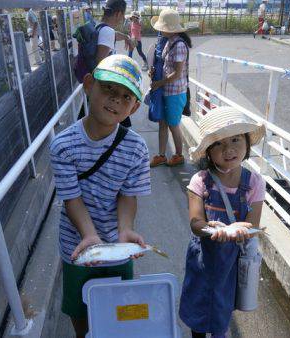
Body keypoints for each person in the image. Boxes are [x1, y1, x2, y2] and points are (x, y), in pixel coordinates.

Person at [49, 54, 151, 338]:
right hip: (78, 246)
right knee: (79, 310)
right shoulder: (63, 145)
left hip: (119, 246)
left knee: (118, 309)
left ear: (135, 107)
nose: (115, 100)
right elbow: (72, 198)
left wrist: (126, 229)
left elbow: (129, 196)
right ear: (89, 84)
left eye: (126, 96)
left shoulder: (137, 148)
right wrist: (90, 236)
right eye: (108, 89)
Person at [179, 106, 266, 338]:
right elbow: (196, 222)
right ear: (208, 151)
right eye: (218, 143)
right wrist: (211, 228)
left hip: (232, 260)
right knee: (197, 305)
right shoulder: (200, 180)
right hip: (203, 256)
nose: (229, 149)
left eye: (236, 139)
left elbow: (252, 224)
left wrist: (241, 231)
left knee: (222, 307)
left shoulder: (255, 182)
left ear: (247, 143)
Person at [149, 9, 191, 167]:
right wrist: (153, 72)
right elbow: (166, 66)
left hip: (175, 92)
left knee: (173, 125)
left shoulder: (178, 44)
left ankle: (179, 155)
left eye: (162, 27)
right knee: (163, 124)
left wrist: (158, 83)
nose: (159, 30)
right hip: (168, 91)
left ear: (168, 29)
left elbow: (177, 73)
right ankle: (161, 155)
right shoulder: (169, 41)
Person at [146, 16, 168, 123]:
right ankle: (158, 116)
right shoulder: (167, 36)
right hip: (160, 71)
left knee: (158, 98)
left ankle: (157, 115)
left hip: (160, 72)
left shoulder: (164, 37)